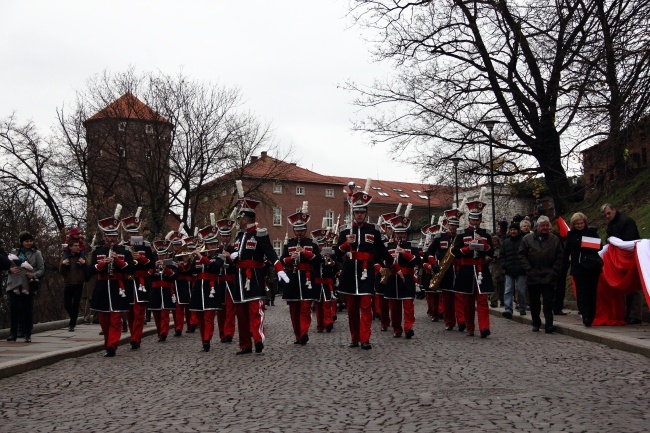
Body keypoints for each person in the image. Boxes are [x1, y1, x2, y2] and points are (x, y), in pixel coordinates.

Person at [336, 185, 403, 350]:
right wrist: (346, 244)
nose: (359, 215)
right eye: (357, 212)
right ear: (353, 213)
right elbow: (336, 254)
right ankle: (354, 337)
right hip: (350, 273)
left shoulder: (373, 232)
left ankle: (365, 339)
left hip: (366, 274)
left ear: (366, 213)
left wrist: (396, 267)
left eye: (362, 212)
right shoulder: (345, 232)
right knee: (352, 309)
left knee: (366, 307)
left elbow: (383, 253)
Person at [229, 183, 290, 355]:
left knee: (256, 311)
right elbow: (236, 253)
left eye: (240, 218)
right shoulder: (240, 236)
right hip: (240, 279)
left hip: (254, 277)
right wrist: (232, 256)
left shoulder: (259, 234)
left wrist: (280, 269)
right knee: (241, 314)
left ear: (246, 218)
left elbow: (270, 253)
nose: (238, 221)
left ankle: (258, 339)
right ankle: (244, 345)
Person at [90, 208, 134, 357]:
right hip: (102, 287)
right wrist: (103, 264)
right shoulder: (97, 251)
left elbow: (131, 269)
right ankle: (107, 343)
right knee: (104, 320)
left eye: (114, 235)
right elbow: (90, 271)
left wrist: (118, 261)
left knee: (116, 318)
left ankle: (112, 346)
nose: (112, 238)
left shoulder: (124, 251)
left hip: (118, 287)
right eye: (109, 235)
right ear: (104, 236)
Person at [451, 199, 494, 338]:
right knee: (468, 301)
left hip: (481, 268)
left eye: (477, 220)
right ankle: (470, 327)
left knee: (482, 300)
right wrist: (468, 248)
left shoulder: (486, 234)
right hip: (467, 269)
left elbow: (492, 252)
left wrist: (483, 243)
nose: (474, 222)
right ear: (469, 219)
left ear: (480, 220)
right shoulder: (462, 234)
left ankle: (484, 327)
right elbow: (455, 252)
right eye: (472, 219)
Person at [281, 203, 322, 345]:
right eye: (297, 230)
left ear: (305, 230)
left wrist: (305, 252)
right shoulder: (289, 244)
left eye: (302, 230)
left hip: (307, 279)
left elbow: (318, 260)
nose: (299, 233)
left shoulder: (312, 243)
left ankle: (304, 332)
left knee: (305, 308)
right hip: (292, 279)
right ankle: (298, 334)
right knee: (294, 310)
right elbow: (281, 260)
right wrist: (290, 258)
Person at [518, 215, 563, 333]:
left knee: (548, 301)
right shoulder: (527, 239)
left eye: (547, 225)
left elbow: (559, 255)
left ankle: (549, 324)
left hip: (549, 274)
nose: (545, 228)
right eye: (542, 226)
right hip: (533, 274)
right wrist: (528, 268)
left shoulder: (554, 239)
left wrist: (555, 269)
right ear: (537, 227)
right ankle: (536, 322)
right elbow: (522, 255)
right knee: (534, 302)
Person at [601, 203, 644, 325]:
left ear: (614, 210)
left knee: (634, 286)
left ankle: (635, 315)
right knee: (627, 285)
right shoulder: (612, 223)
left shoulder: (627, 221)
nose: (607, 216)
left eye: (609, 213)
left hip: (630, 257)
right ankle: (629, 313)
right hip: (620, 258)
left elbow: (629, 240)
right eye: (605, 215)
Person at [384, 211, 420, 339]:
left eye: (403, 233)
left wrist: (405, 253)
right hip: (393, 279)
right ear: (394, 233)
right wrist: (388, 259)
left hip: (408, 279)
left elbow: (418, 261)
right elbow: (381, 262)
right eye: (398, 233)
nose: (400, 236)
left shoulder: (412, 246)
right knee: (394, 308)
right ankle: (397, 329)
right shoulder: (387, 246)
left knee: (409, 306)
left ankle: (408, 327)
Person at [122, 210, 154, 349]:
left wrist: (140, 258)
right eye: (131, 233)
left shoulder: (145, 245)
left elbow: (152, 263)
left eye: (135, 233)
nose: (133, 235)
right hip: (128, 281)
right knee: (129, 311)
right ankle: (133, 334)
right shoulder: (122, 246)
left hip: (141, 280)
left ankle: (136, 338)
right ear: (127, 233)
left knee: (139, 311)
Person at [562, 212, 602, 327]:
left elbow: (600, 246)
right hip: (578, 267)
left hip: (591, 267)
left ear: (585, 222)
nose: (579, 225)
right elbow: (567, 251)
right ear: (573, 225)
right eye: (577, 224)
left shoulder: (591, 232)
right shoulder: (571, 235)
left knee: (591, 292)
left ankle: (591, 315)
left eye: (581, 223)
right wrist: (564, 265)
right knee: (581, 292)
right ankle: (585, 314)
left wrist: (587, 244)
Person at [189, 224, 224, 352]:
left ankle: (207, 339)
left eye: (215, 244)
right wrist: (188, 260)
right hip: (199, 288)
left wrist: (201, 257)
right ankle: (203, 338)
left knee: (209, 315)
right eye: (210, 245)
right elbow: (191, 271)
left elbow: (215, 267)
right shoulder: (199, 256)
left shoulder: (219, 256)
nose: (213, 247)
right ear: (206, 245)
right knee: (200, 316)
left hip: (211, 288)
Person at [6, 231, 45, 343]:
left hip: (28, 284)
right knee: (14, 309)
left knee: (27, 309)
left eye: (30, 241)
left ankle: (27, 333)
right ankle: (13, 333)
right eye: (26, 241)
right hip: (14, 283)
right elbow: (6, 263)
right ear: (21, 242)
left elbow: (42, 269)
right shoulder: (14, 252)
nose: (29, 243)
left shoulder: (36, 253)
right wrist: (10, 269)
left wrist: (33, 275)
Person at [214, 218, 237, 343]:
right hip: (219, 282)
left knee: (230, 309)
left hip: (230, 282)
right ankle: (222, 333)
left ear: (230, 236)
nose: (225, 238)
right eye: (223, 236)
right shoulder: (217, 250)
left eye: (227, 236)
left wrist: (229, 258)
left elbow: (236, 266)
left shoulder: (234, 249)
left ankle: (229, 333)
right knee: (220, 309)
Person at [311, 228, 337, 333]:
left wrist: (330, 260)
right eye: (320, 245)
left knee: (327, 303)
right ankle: (320, 324)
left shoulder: (330, 255)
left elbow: (334, 267)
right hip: (317, 282)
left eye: (323, 245)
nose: (321, 247)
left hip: (326, 282)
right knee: (318, 305)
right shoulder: (314, 255)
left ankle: (328, 322)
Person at [59, 240, 88, 331]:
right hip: (68, 283)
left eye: (78, 245)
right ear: (70, 247)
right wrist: (63, 264)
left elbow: (88, 270)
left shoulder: (83, 257)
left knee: (76, 304)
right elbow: (61, 271)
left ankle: (72, 324)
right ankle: (73, 317)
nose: (77, 247)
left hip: (79, 283)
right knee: (67, 304)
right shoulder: (66, 257)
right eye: (75, 245)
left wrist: (83, 263)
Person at [500, 222, 527, 318]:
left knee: (521, 290)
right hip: (509, 269)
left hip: (521, 270)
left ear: (518, 230)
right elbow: (502, 255)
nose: (513, 231)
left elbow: (526, 254)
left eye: (514, 230)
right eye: (511, 230)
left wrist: (525, 266)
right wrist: (504, 265)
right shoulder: (506, 242)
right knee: (508, 290)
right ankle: (508, 308)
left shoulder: (523, 241)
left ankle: (522, 307)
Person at [488, 236, 505, 308]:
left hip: (501, 268)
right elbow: (486, 257)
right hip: (492, 269)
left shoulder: (501, 248)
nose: (495, 243)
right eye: (493, 242)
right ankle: (494, 301)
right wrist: (491, 257)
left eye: (496, 241)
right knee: (493, 286)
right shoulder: (489, 249)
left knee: (502, 286)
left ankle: (503, 300)